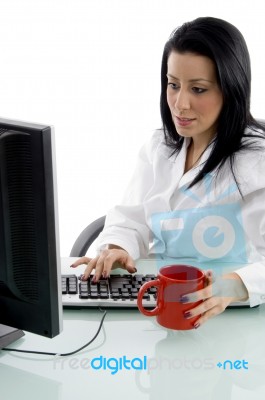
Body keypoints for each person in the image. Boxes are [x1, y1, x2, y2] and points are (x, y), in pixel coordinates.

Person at [72, 17, 265, 328]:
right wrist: (119, 245)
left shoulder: (258, 160)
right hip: (166, 308)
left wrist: (233, 286)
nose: (180, 103)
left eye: (198, 89)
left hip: (237, 316)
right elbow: (132, 217)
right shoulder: (160, 148)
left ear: (232, 89)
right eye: (173, 84)